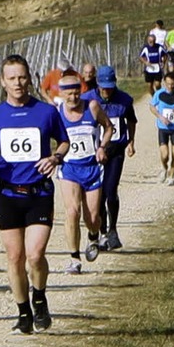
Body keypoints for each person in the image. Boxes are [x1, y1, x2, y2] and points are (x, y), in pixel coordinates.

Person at [0, 54, 69, 334]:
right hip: (7, 193)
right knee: (15, 256)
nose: (18, 83)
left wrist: (55, 158)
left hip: (38, 192)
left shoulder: (46, 112)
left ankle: (39, 297)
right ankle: (23, 311)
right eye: (12, 78)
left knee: (35, 254)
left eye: (22, 77)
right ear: (2, 82)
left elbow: (64, 142)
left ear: (30, 79)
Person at [56, 75, 113, 274]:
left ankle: (93, 234)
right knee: (72, 211)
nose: (73, 98)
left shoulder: (92, 107)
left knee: (93, 217)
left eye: (76, 92)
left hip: (92, 167)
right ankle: (74, 258)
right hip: (69, 168)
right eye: (69, 94)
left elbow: (108, 127)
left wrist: (102, 147)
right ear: (61, 94)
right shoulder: (56, 112)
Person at [81, 65, 137, 251]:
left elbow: (131, 121)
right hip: (93, 152)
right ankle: (102, 232)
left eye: (110, 86)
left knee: (110, 191)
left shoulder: (124, 100)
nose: (107, 90)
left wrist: (131, 141)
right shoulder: (87, 99)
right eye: (103, 86)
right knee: (98, 194)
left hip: (116, 150)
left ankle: (112, 229)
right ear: (97, 84)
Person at [150, 71, 174, 186]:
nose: (170, 86)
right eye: (168, 84)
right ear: (164, 83)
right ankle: (164, 168)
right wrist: (160, 117)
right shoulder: (159, 94)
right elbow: (152, 107)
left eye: (172, 84)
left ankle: (171, 176)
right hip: (163, 128)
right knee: (165, 155)